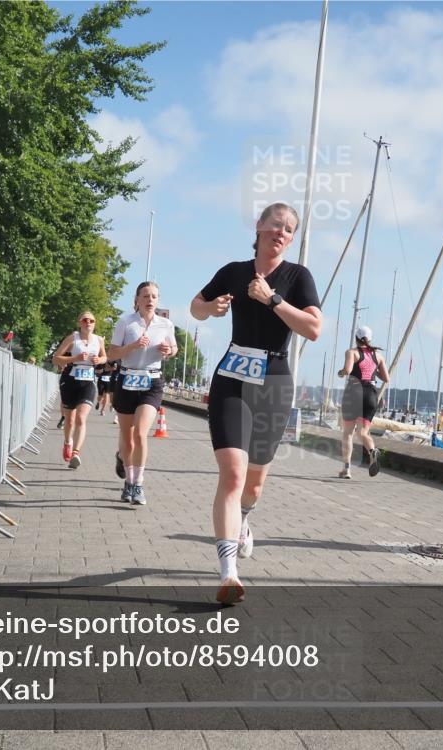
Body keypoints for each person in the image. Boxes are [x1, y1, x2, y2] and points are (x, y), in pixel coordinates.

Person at [190, 202, 322, 604]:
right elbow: (195, 306)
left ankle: (244, 520)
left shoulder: (298, 277)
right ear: (259, 226)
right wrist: (209, 309)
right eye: (275, 225)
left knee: (254, 483)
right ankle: (229, 572)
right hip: (232, 376)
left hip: (274, 382)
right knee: (232, 473)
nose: (281, 233)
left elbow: (314, 329)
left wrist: (272, 300)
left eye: (289, 230)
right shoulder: (233, 271)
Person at [106, 282, 177, 506]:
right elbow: (112, 353)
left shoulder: (165, 324)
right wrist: (134, 346)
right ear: (137, 299)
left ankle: (138, 484)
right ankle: (128, 481)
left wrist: (169, 351)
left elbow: (174, 349)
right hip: (127, 379)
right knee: (127, 436)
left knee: (140, 434)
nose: (150, 300)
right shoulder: (125, 322)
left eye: (154, 296)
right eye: (145, 296)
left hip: (151, 381)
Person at [52, 312, 107, 468]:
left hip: (88, 382)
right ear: (79, 323)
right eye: (84, 320)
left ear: (95, 324)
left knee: (81, 418)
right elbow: (56, 358)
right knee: (69, 420)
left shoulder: (98, 340)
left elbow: (105, 357)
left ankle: (76, 452)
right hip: (70, 380)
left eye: (91, 320)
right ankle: (67, 442)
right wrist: (74, 359)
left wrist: (99, 360)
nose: (88, 322)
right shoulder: (72, 338)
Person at [337, 326, 389, 479]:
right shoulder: (378, 357)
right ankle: (372, 451)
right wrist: (373, 370)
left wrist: (341, 373)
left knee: (348, 433)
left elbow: (347, 370)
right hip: (370, 395)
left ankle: (346, 469)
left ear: (356, 338)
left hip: (353, 392)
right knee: (363, 433)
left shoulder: (351, 352)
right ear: (370, 339)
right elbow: (386, 378)